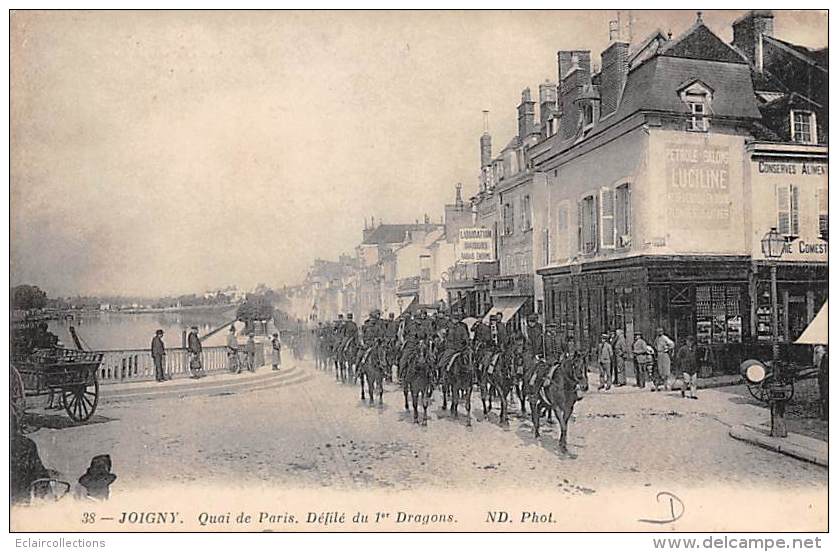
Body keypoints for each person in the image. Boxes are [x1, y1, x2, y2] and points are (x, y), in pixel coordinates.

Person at [437, 309, 470, 377]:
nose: (456, 320)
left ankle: (473, 378)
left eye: (457, 319)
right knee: (441, 363)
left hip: (461, 349)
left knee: (470, 361)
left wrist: (466, 344)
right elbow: (441, 335)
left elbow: (466, 338)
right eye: (454, 319)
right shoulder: (447, 327)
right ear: (451, 319)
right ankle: (441, 377)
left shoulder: (462, 328)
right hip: (450, 348)